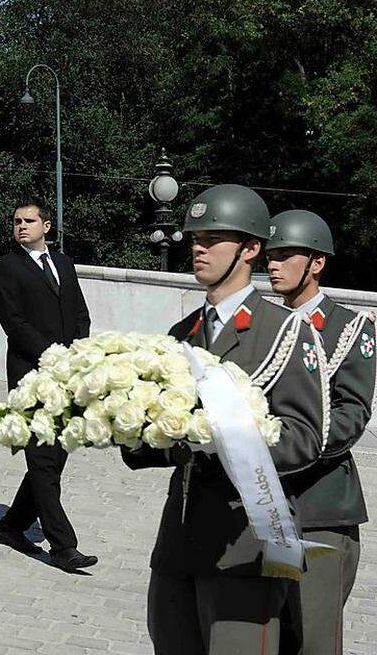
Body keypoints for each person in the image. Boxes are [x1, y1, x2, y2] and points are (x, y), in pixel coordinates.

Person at [122, 185, 324, 654]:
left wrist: (217, 437)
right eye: (195, 237)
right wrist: (128, 426)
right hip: (179, 540)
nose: (198, 247)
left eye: (213, 238)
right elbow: (160, 439)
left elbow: (303, 439)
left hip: (245, 546)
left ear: (250, 249)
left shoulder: (287, 331)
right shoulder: (183, 332)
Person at [266, 209, 372, 655]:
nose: (272, 264)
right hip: (265, 503)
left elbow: (352, 413)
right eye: (270, 255)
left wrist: (285, 445)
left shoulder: (351, 328)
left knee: (314, 638)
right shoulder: (266, 325)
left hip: (321, 503)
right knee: (269, 632)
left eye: (286, 255)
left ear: (317, 263)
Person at [0, 199, 96, 573]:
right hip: (31, 377)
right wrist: (52, 356)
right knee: (42, 459)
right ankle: (63, 546)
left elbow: (80, 313)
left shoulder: (64, 263)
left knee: (53, 459)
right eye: (16, 221)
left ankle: (11, 525)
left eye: (29, 221)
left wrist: (78, 355)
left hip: (68, 376)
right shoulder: (5, 267)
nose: (21, 226)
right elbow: (14, 323)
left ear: (46, 226)